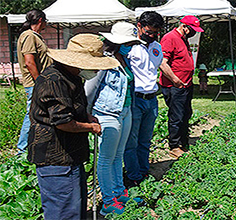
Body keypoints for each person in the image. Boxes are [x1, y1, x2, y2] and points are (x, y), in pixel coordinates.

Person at [28, 34, 119, 220]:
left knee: (75, 207)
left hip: (70, 154)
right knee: (63, 212)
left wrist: (86, 116)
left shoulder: (72, 76)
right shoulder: (54, 80)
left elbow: (71, 109)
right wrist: (90, 127)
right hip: (56, 158)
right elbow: (62, 122)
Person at [85, 22, 144, 215]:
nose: (131, 46)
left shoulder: (124, 58)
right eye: (129, 42)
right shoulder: (103, 60)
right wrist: (88, 116)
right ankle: (108, 201)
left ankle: (119, 192)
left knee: (118, 155)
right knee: (105, 158)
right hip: (106, 114)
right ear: (118, 42)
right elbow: (90, 90)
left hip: (124, 111)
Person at [122, 11, 164, 187]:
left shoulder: (156, 46)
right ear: (139, 26)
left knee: (145, 139)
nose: (152, 36)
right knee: (131, 141)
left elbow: (156, 68)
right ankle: (133, 175)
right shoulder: (128, 46)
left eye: (155, 32)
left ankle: (143, 170)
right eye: (149, 32)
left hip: (152, 100)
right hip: (136, 99)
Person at [159, 15, 204, 158]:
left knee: (186, 113)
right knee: (176, 116)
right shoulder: (169, 38)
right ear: (184, 26)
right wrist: (175, 79)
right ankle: (174, 145)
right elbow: (162, 63)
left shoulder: (183, 39)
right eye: (192, 29)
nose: (194, 33)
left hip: (185, 84)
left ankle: (183, 141)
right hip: (174, 85)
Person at [16, 9, 53, 154]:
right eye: (45, 21)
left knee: (39, 114)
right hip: (34, 83)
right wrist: (39, 82)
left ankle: (35, 145)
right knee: (32, 114)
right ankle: (22, 149)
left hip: (40, 82)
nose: (45, 24)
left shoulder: (34, 36)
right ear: (40, 20)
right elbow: (29, 62)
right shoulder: (29, 36)